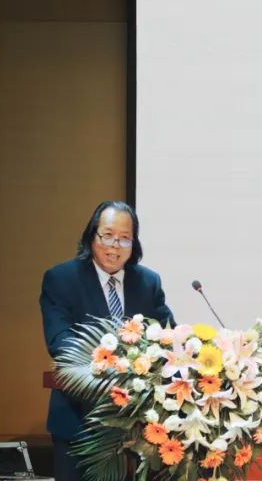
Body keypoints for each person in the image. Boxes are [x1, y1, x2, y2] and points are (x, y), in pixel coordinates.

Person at [39, 201, 175, 481]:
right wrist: (115, 366)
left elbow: (168, 335)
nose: (115, 246)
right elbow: (60, 343)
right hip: (80, 422)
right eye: (108, 235)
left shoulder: (148, 282)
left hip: (140, 426)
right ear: (92, 235)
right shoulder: (61, 279)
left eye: (125, 238)